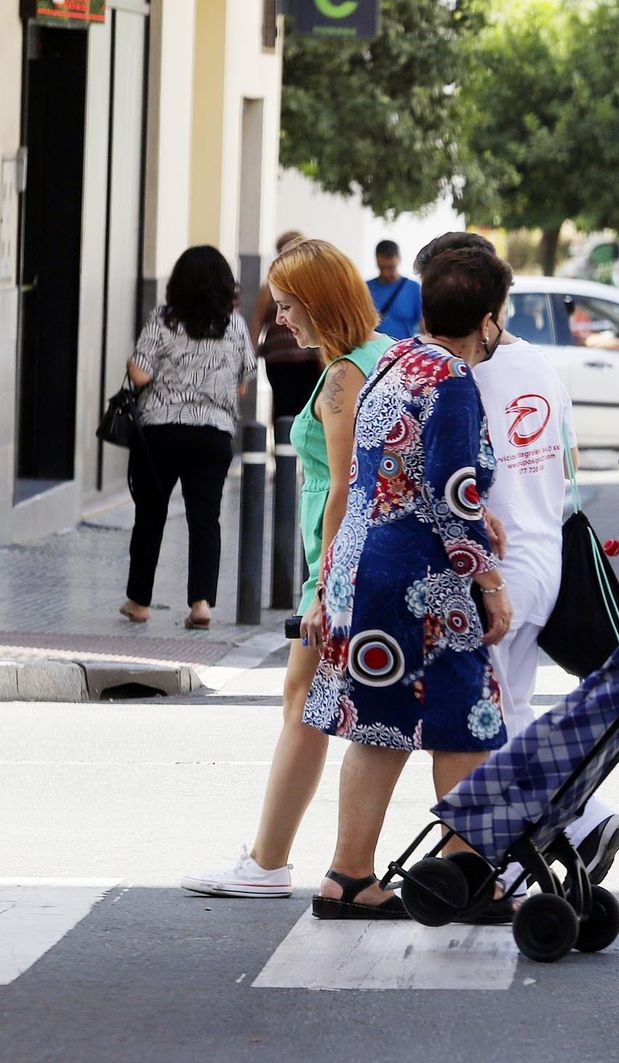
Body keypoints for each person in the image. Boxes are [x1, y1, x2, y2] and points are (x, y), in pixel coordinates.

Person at [413, 231, 619, 883]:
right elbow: (564, 462)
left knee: (484, 722)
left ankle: (571, 824)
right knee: (509, 710)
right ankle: (556, 831)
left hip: (496, 565)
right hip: (546, 551)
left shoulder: (461, 370)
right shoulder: (538, 363)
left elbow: (456, 475)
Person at [302, 244, 515, 919]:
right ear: (487, 320)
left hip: (363, 569)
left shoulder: (396, 359)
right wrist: (491, 581)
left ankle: (349, 877)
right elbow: (453, 497)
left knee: (379, 724)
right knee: (466, 720)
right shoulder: (452, 380)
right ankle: (470, 876)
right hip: (420, 585)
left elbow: (393, 472)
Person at [179, 240, 395, 899]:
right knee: (308, 706)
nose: (280, 321)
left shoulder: (342, 377)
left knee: (304, 705)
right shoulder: (376, 355)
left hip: (336, 568)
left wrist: (325, 589)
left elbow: (343, 487)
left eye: (289, 306)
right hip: (355, 562)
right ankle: (275, 858)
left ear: (322, 303)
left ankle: (270, 861)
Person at [119, 246, 255, 630]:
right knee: (205, 518)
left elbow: (141, 374)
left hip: (161, 431)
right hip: (213, 433)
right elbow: (243, 382)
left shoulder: (164, 320)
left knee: (150, 514)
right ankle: (201, 604)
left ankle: (139, 601)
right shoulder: (235, 324)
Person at [249, 231, 320, 421]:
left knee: (308, 406)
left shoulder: (312, 282)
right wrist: (250, 355)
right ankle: (283, 447)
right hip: (279, 358)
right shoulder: (270, 285)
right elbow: (258, 320)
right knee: (283, 406)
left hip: (309, 358)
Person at [367, 239, 424, 340]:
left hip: (403, 351)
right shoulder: (365, 288)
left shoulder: (414, 289)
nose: (386, 273)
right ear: (376, 261)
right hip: (374, 351)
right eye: (382, 268)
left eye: (390, 268)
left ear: (399, 260)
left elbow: (424, 326)